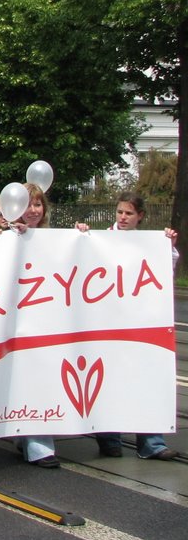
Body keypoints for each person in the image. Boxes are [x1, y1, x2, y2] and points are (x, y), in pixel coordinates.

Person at [91, 191, 178, 461]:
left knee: (146, 379)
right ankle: (109, 439)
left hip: (140, 323)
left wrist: (169, 246)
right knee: (109, 381)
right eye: (120, 212)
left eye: (129, 213)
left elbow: (166, 272)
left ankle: (151, 442)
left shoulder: (150, 242)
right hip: (108, 322)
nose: (123, 217)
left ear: (140, 216)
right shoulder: (99, 239)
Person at [7, 183, 61, 469]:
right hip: (13, 322)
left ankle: (36, 441)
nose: (32, 210)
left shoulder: (54, 240)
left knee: (41, 378)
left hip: (45, 321)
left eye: (37, 204)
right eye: (27, 204)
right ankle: (31, 440)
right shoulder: (5, 237)